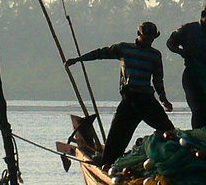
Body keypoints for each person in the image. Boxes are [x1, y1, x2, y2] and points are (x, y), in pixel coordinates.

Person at [66, 20, 175, 165]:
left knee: (169, 131)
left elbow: (158, 80)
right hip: (130, 99)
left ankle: (170, 161)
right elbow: (101, 53)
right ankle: (108, 164)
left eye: (151, 38)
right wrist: (78, 60)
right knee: (116, 139)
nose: (148, 41)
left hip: (146, 100)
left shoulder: (155, 55)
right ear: (138, 34)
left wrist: (164, 100)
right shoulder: (124, 49)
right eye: (146, 37)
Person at [166, 0, 206, 129]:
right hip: (191, 75)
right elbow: (171, 43)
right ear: (203, 14)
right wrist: (182, 52)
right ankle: (198, 135)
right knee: (198, 108)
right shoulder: (188, 30)